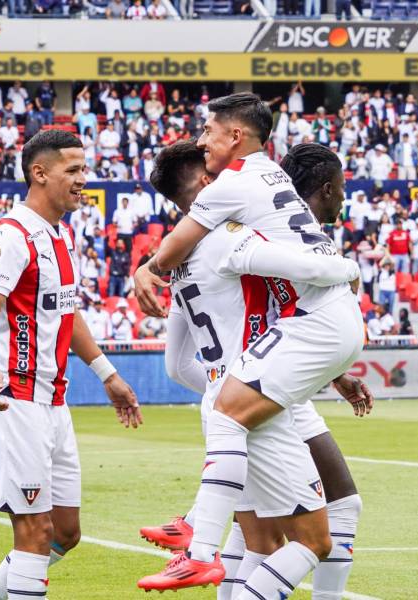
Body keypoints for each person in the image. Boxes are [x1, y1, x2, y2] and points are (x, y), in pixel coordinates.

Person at [135, 94, 366, 597]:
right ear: (205, 185)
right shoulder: (231, 237)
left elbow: (176, 365)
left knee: (259, 536)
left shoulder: (178, 266)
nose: (207, 146)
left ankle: (197, 529)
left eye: (209, 135)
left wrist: (228, 380)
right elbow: (300, 275)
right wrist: (349, 272)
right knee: (311, 536)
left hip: (235, 389)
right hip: (261, 391)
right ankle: (197, 542)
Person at [0, 130, 141, 600]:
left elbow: (67, 313)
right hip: (15, 401)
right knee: (35, 534)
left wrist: (108, 374)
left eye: (84, 169)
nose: (84, 179)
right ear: (39, 173)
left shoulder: (58, 236)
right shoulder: (10, 237)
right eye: (74, 170)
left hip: (53, 402)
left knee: (65, 531)